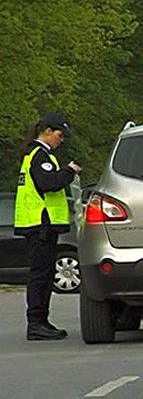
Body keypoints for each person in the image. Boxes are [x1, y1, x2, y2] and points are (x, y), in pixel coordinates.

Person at [14, 113, 82, 340]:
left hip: (37, 223)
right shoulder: (40, 155)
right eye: (59, 135)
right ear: (47, 131)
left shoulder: (34, 154)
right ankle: (36, 324)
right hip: (40, 225)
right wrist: (69, 171)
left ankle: (40, 322)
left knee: (43, 274)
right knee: (41, 276)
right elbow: (48, 183)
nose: (60, 141)